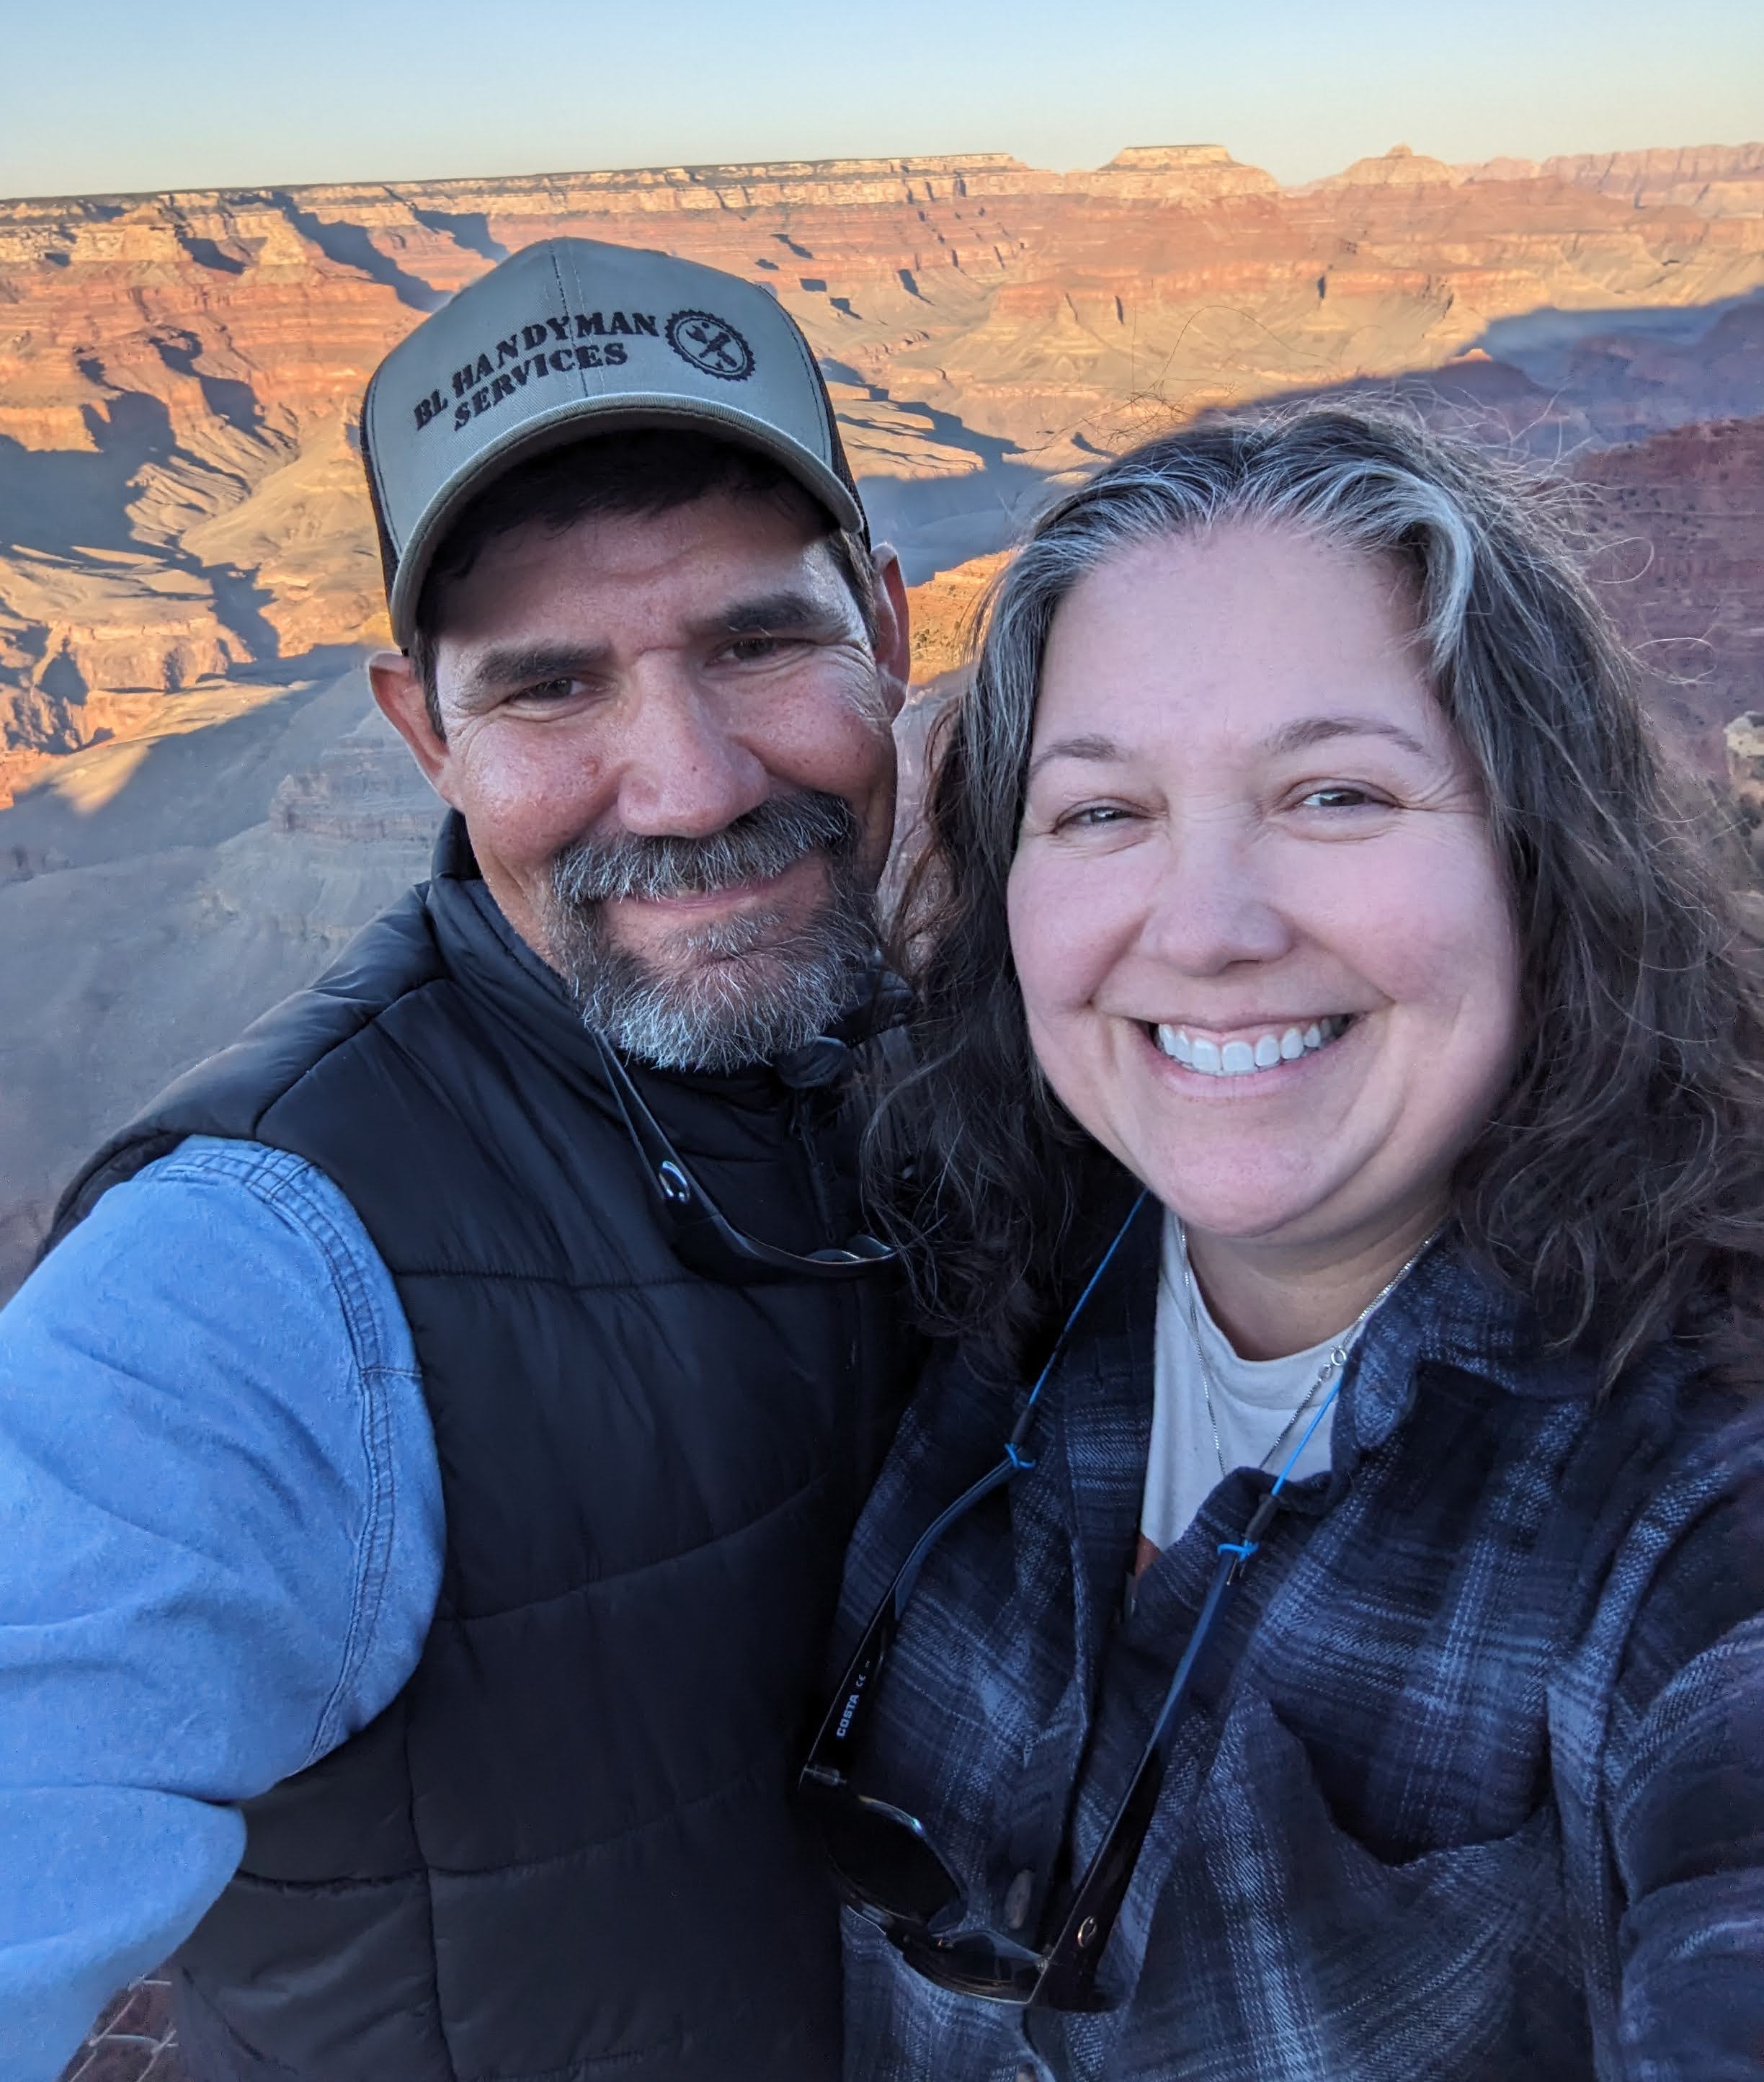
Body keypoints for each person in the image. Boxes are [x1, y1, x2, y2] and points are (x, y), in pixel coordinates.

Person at [0, 239, 919, 2082]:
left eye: (759, 641)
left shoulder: (1052, 1046)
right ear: (420, 731)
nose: (691, 783)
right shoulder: (255, 1274)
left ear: (893, 631)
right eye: (550, 689)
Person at [803, 406, 1764, 2080]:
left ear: (1540, 851)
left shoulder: (1693, 1505)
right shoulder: (979, 1271)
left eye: (1335, 793)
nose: (1209, 926)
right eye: (1103, 814)